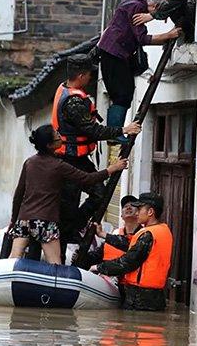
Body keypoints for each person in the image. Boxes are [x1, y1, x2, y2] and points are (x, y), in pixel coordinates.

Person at [52, 55, 141, 248]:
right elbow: (91, 130)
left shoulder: (64, 89)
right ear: (81, 75)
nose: (92, 78)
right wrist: (123, 129)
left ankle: (73, 228)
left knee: (98, 194)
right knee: (71, 202)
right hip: (70, 159)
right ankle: (69, 233)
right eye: (89, 74)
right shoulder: (74, 101)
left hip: (77, 157)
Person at [9, 125, 128, 264]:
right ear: (49, 145)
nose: (60, 136)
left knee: (13, 260)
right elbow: (87, 178)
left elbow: (18, 194)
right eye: (56, 136)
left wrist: (13, 220)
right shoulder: (59, 165)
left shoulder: (29, 163)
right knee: (55, 264)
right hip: (45, 221)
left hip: (24, 220)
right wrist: (112, 169)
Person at [97, 0, 181, 129]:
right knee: (123, 93)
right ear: (156, 6)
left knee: (124, 92)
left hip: (115, 52)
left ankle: (114, 131)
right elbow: (142, 39)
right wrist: (168, 35)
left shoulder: (132, 3)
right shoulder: (137, 8)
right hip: (114, 52)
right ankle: (114, 131)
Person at [91, 192, 173, 311]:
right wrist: (104, 235)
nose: (137, 212)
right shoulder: (162, 231)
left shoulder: (147, 235)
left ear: (150, 212)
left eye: (139, 209)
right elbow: (128, 243)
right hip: (156, 296)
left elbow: (127, 262)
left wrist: (98, 267)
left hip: (140, 299)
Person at [85, 195, 141, 268]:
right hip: (105, 277)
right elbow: (96, 256)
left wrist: (102, 234)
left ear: (139, 213)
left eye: (132, 206)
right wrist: (83, 257)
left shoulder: (144, 234)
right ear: (121, 215)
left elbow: (131, 246)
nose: (128, 207)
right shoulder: (115, 233)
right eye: (125, 206)